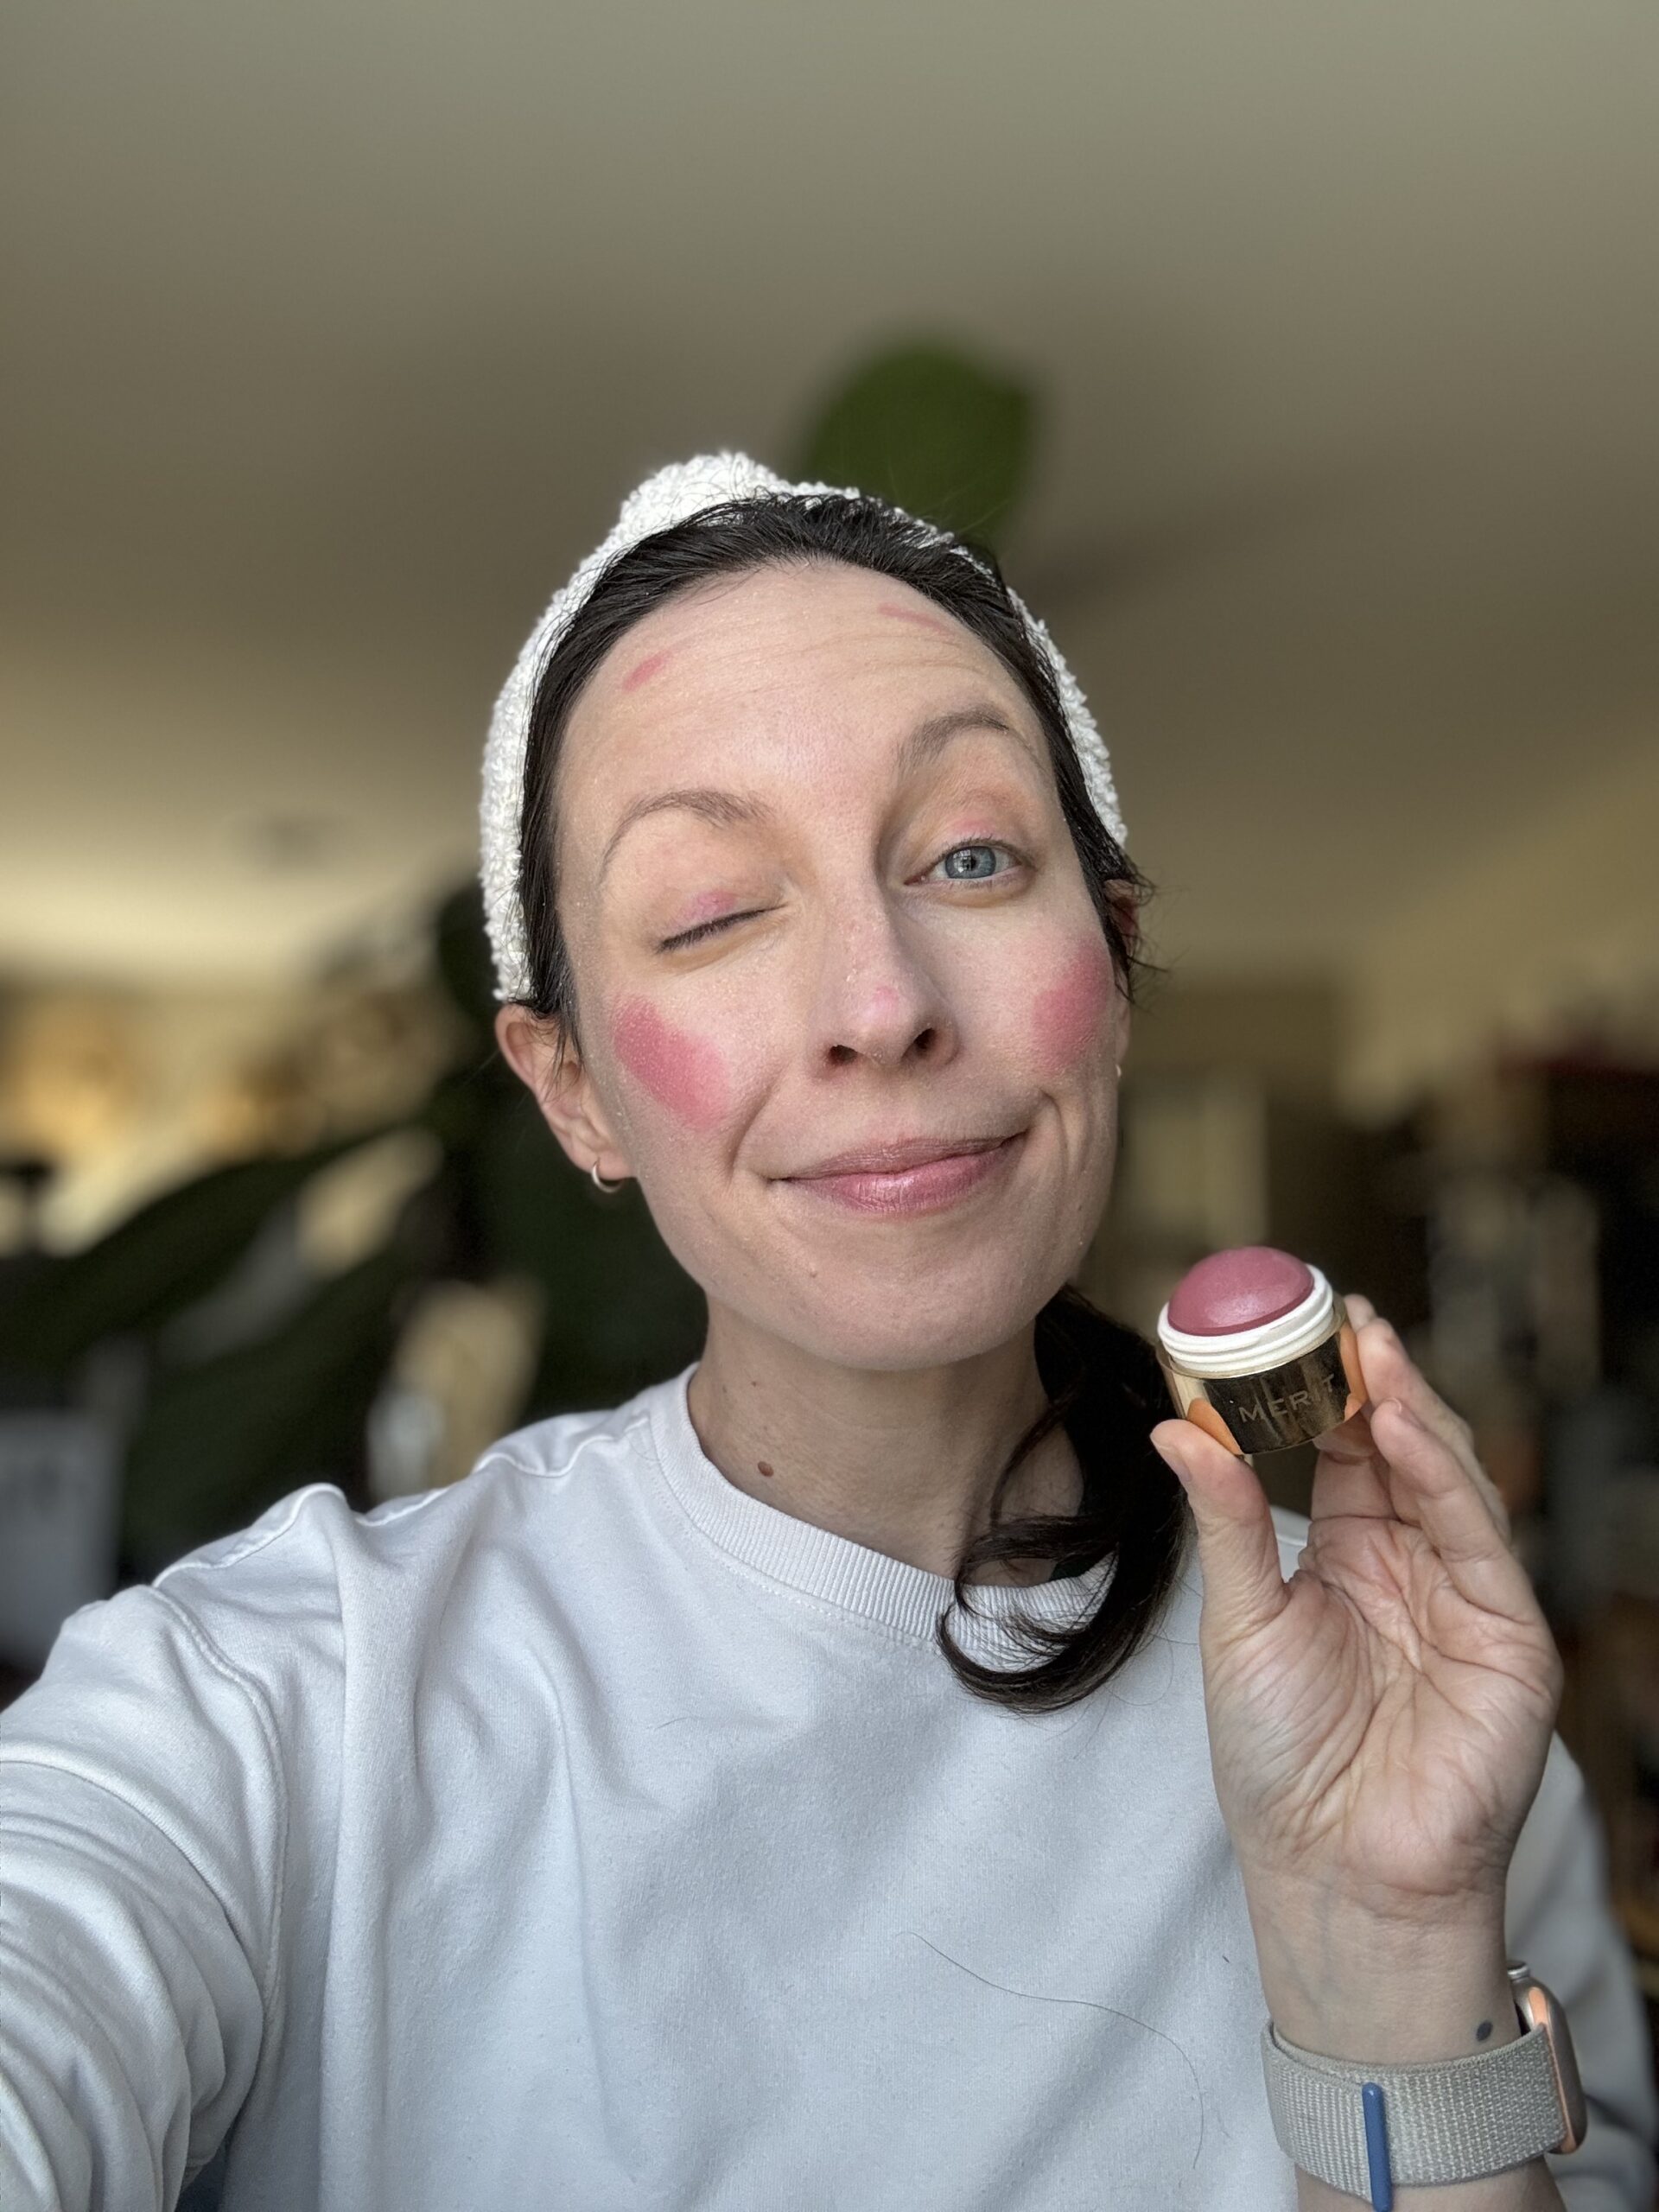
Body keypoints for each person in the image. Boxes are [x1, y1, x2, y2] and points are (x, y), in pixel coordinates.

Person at [1, 452, 1654, 2211]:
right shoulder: (278, 1701)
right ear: (572, 1091)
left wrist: (1386, 1957)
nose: (881, 1001)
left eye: (969, 852)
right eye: (713, 909)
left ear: (1112, 955)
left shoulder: (1419, 1719)